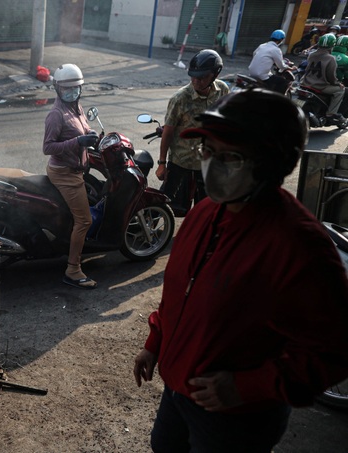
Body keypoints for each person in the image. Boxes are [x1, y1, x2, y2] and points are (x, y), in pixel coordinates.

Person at [133, 89, 348, 452]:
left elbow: (335, 351)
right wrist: (155, 343)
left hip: (236, 419)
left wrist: (247, 387)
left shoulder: (300, 247)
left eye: (230, 156)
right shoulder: (206, 212)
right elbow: (181, 291)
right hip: (177, 390)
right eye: (208, 151)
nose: (212, 165)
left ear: (270, 163)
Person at [43, 63, 98, 289]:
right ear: (57, 88)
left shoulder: (77, 107)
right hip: (65, 173)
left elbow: (82, 131)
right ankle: (73, 269)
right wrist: (77, 142)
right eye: (67, 88)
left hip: (76, 169)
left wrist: (90, 135)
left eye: (76, 87)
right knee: (84, 220)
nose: (72, 91)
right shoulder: (56, 114)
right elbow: (48, 147)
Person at [156, 49, 230, 217]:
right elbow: (168, 132)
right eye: (193, 76)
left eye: (202, 77)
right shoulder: (180, 98)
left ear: (214, 75)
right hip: (180, 161)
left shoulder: (222, 91)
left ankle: (200, 235)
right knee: (163, 201)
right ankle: (148, 233)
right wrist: (162, 163)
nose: (196, 81)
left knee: (206, 206)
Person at [301, 33, 346, 125]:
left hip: (305, 83)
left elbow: (306, 69)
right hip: (320, 86)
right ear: (332, 45)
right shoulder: (331, 58)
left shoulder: (312, 55)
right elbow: (331, 77)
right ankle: (331, 113)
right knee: (341, 91)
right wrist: (338, 84)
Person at [248, 29, 296, 94]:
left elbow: (254, 54)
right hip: (261, 76)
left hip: (251, 72)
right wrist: (291, 68)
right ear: (281, 40)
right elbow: (281, 66)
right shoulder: (276, 50)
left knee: (272, 77)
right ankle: (277, 99)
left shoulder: (262, 45)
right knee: (284, 82)